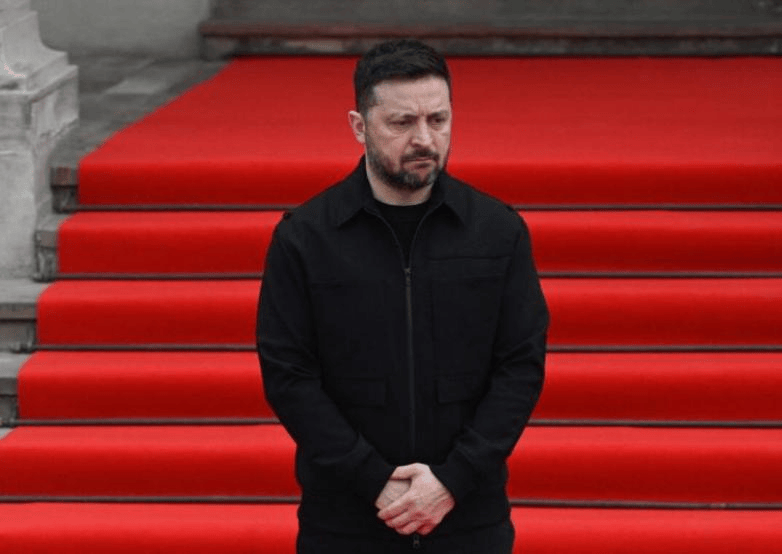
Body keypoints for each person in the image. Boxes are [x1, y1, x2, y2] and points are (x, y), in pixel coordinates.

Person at [257, 38, 548, 553]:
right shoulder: (305, 238)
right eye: (402, 123)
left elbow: (520, 367)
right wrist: (373, 480)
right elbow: (289, 375)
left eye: (438, 119)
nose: (424, 139)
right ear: (359, 126)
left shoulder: (498, 232)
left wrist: (452, 480)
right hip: (345, 520)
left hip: (468, 517)